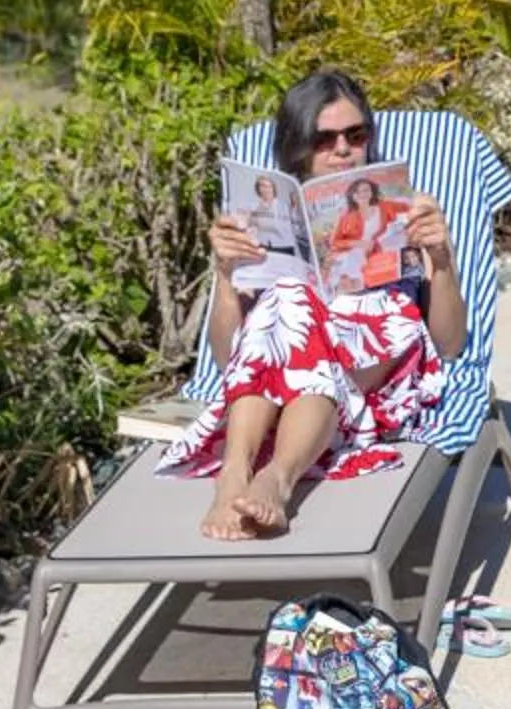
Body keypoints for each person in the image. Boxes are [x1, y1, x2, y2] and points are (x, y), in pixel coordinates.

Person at [162, 69, 467, 542]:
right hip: (294, 360)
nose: (342, 149)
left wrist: (442, 260)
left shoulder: (407, 208)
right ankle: (243, 476)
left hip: (381, 348)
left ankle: (269, 477)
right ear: (298, 145)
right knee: (289, 301)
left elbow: (450, 344)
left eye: (355, 134)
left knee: (295, 313)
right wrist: (224, 275)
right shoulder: (262, 217)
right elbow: (228, 359)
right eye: (324, 139)